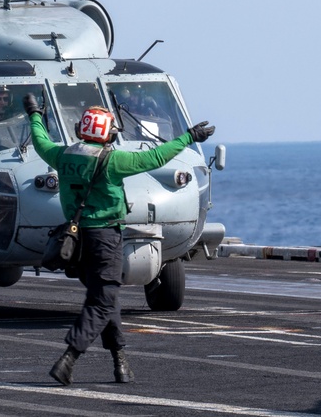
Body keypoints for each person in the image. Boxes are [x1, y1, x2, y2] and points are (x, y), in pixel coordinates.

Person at [23, 93, 214, 386]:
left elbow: (40, 141)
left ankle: (120, 361)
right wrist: (189, 137)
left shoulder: (62, 156)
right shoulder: (113, 161)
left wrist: (35, 114)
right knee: (101, 303)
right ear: (106, 135)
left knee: (106, 299)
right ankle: (69, 358)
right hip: (104, 240)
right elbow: (156, 157)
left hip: (76, 242)